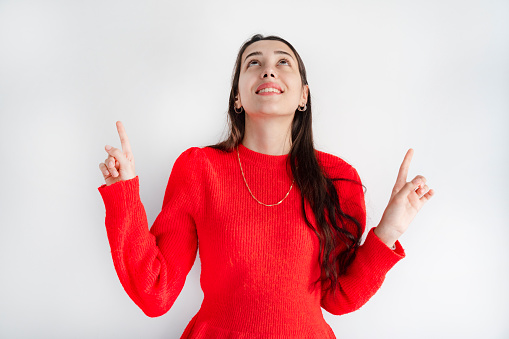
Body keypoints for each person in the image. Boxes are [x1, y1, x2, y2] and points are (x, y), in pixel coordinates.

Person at [97, 34, 434, 338]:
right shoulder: (199, 168)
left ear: (303, 95)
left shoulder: (338, 176)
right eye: (253, 62)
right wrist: (124, 195)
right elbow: (155, 293)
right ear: (238, 97)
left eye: (282, 62)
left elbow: (339, 299)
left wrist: (388, 232)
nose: (268, 70)